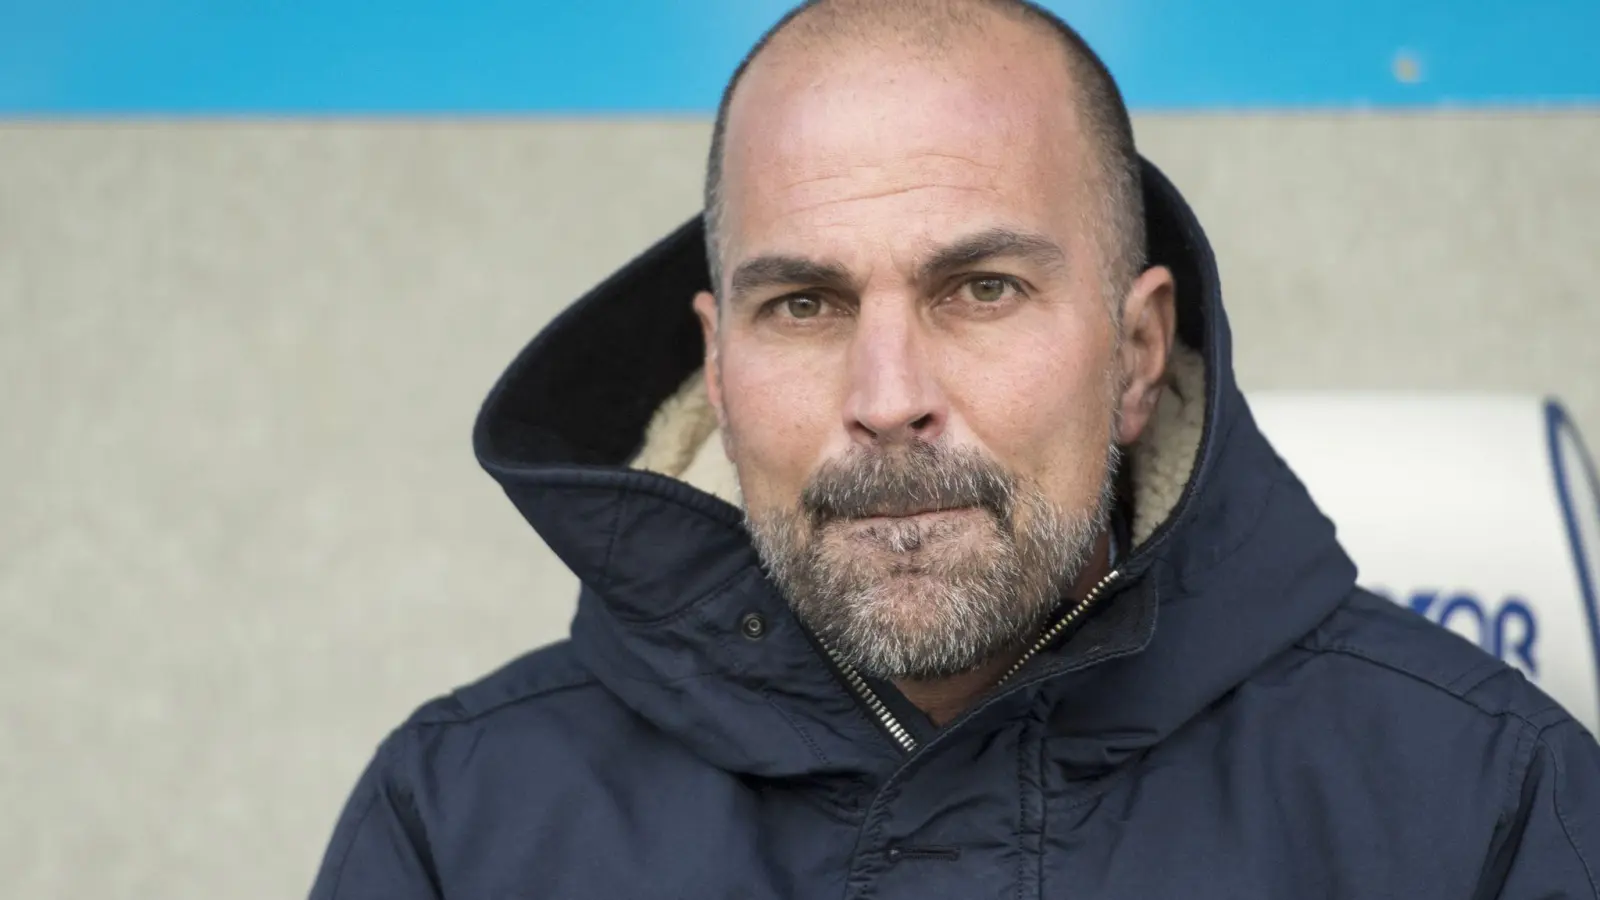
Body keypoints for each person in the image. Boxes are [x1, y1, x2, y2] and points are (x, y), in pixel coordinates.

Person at [309, 1, 1600, 897]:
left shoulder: (1482, 802)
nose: (887, 397)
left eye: (980, 289)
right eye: (803, 305)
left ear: (1138, 349)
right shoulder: (465, 821)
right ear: (716, 367)